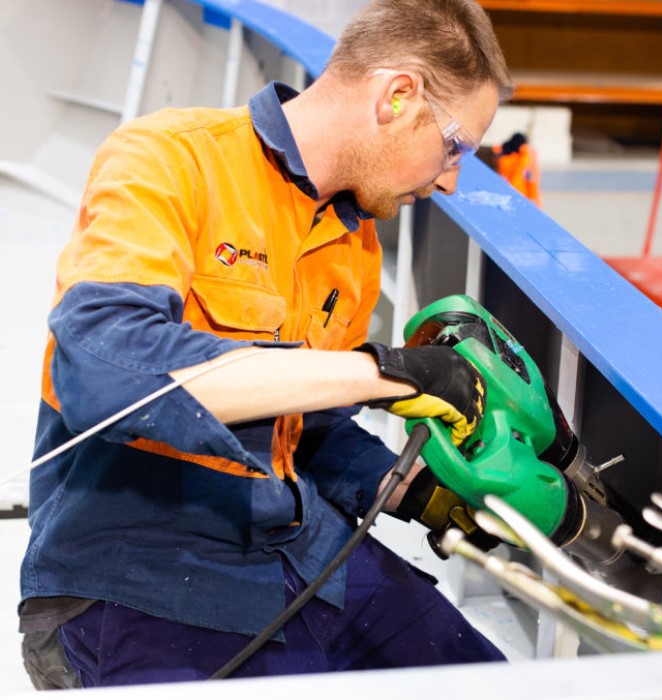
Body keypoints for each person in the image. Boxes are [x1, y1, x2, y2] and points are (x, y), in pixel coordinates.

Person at [19, 0, 514, 688]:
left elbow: (308, 432)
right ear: (398, 96)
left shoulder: (355, 244)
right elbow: (104, 369)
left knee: (497, 684)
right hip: (140, 569)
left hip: (301, 548)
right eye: (455, 146)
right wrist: (384, 373)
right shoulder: (172, 157)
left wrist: (424, 494)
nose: (451, 179)